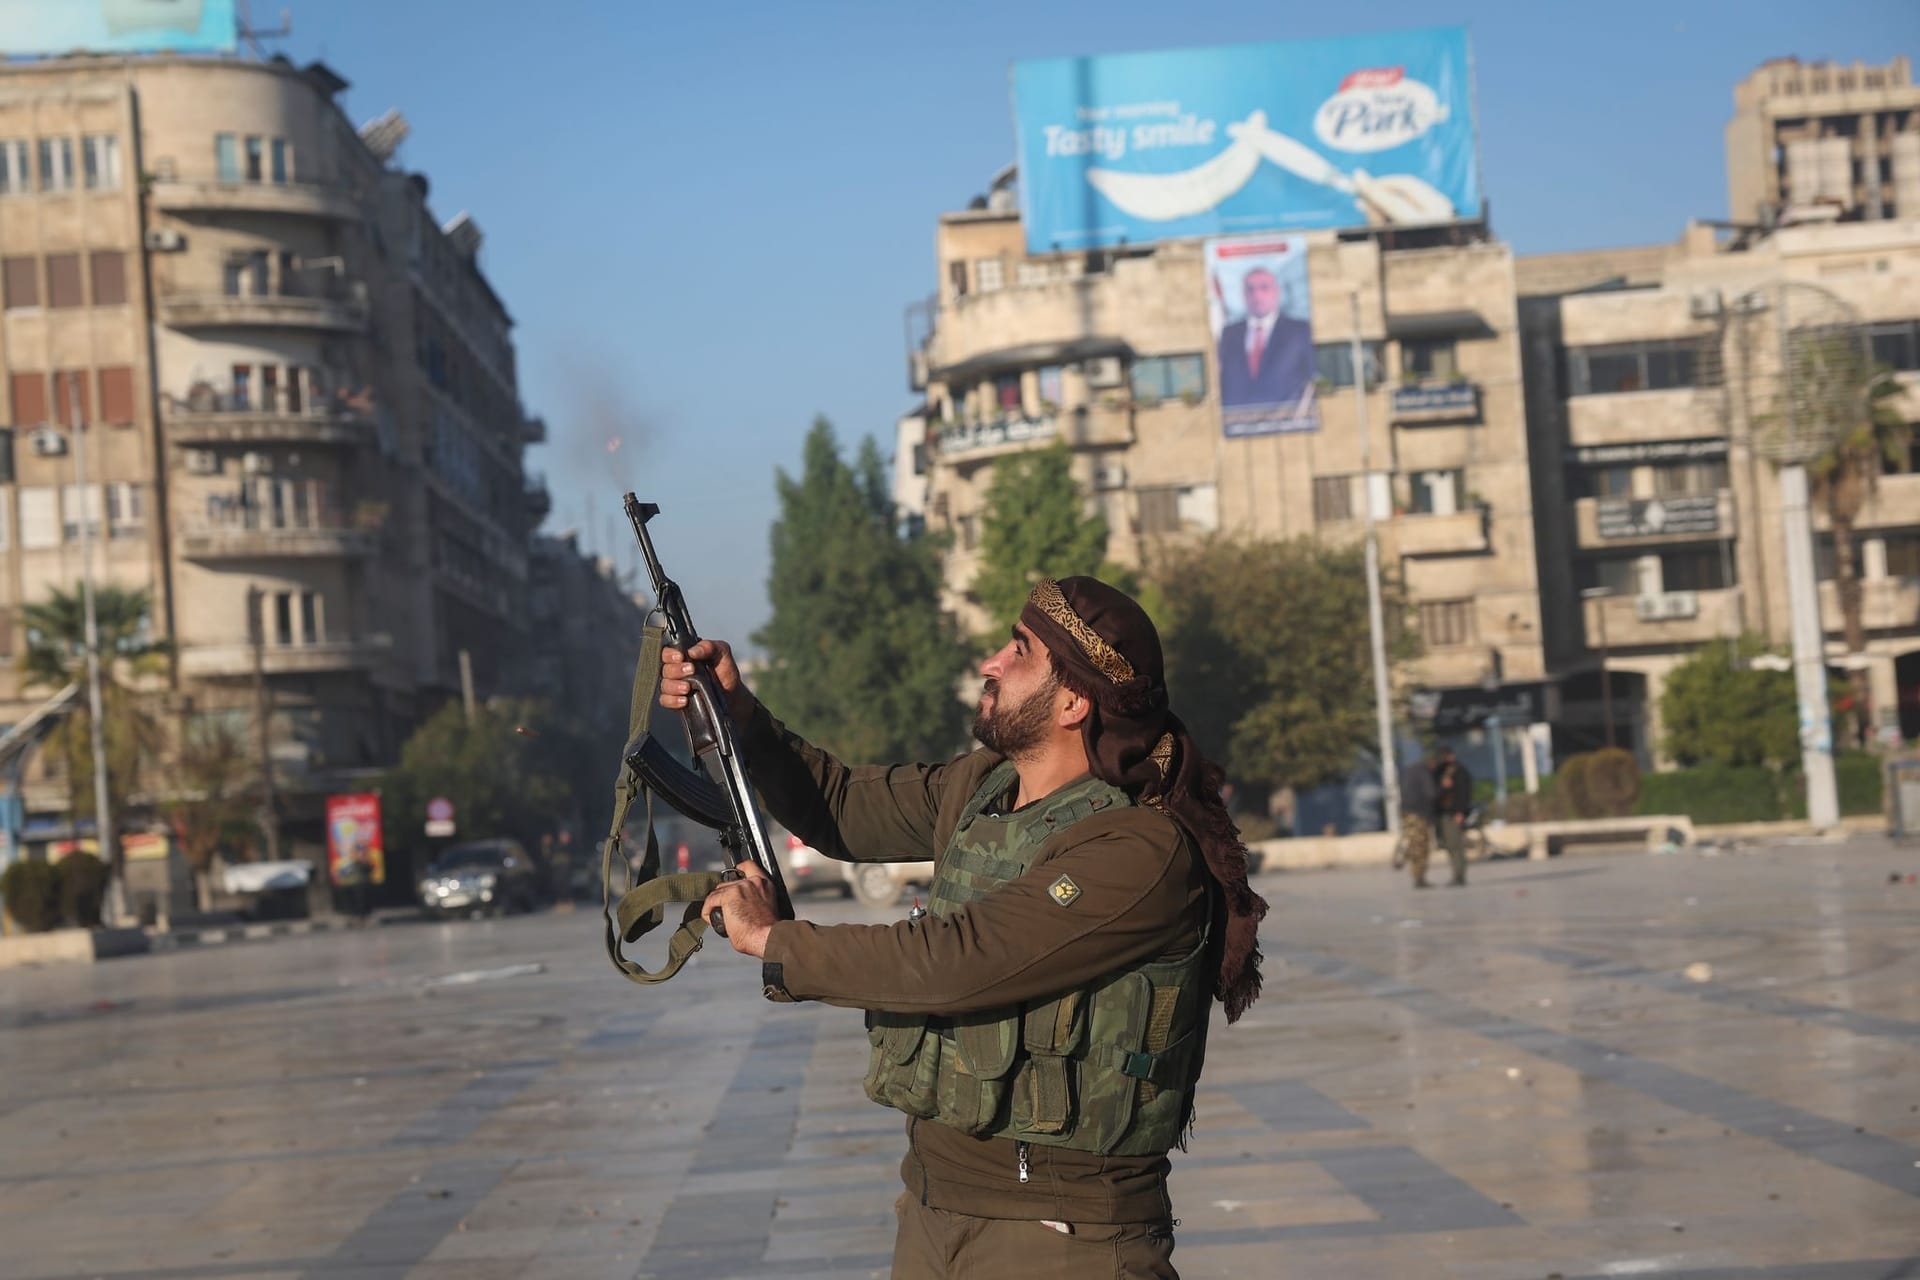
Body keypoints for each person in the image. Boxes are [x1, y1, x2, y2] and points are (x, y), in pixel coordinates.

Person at [660, 576, 1268, 1280]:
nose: (991, 664)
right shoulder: (985, 786)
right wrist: (738, 714)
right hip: (933, 1208)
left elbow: (958, 960)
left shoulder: (1139, 850)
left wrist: (776, 941)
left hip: (1064, 1237)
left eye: (1018, 651)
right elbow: (840, 806)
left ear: (1073, 701)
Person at [1215, 266, 1313, 410]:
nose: (1257, 296)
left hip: (1288, 418)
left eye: (1264, 288)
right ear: (1243, 295)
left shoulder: (1299, 331)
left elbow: (1311, 377)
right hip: (1238, 421)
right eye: (1250, 289)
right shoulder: (1229, 333)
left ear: (1276, 292)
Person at [1433, 746, 1473, 887]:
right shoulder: (1440, 772)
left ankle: (1459, 875)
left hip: (1454, 814)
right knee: (1450, 845)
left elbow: (1464, 794)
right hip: (1443, 813)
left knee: (1456, 845)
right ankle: (1456, 874)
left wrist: (1461, 812)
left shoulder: (1460, 772)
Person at [1396, 753, 1438, 887]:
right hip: (1419, 815)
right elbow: (1431, 793)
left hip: (1406, 813)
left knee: (1414, 843)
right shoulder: (1423, 772)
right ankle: (1419, 877)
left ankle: (1417, 875)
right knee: (1421, 846)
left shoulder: (1410, 770)